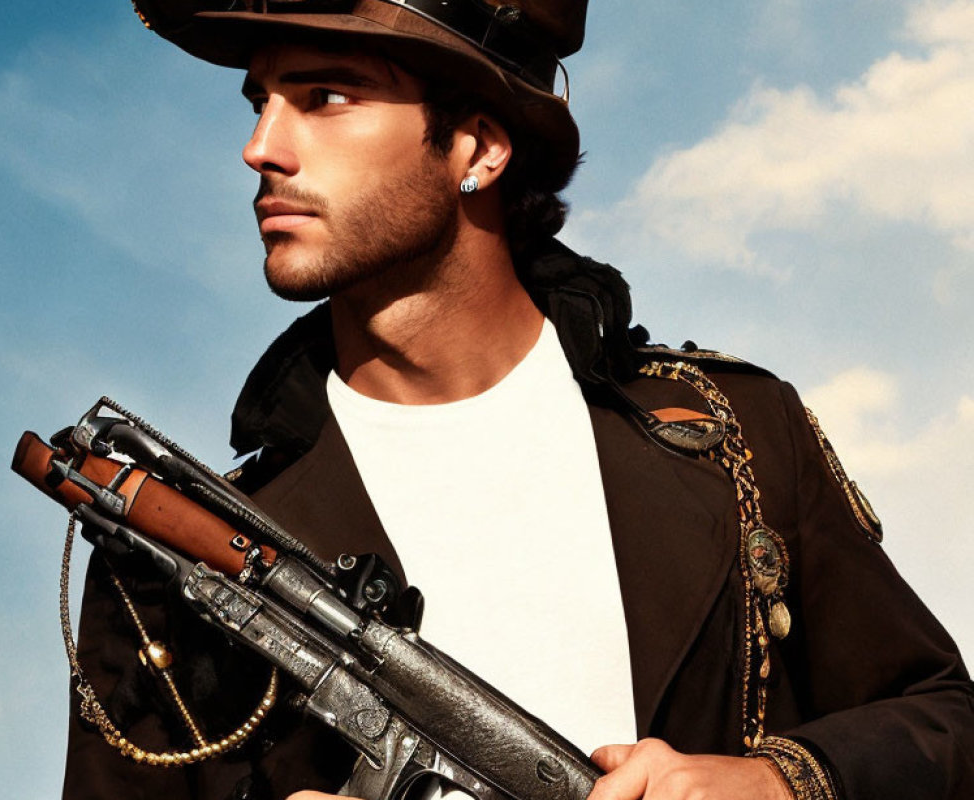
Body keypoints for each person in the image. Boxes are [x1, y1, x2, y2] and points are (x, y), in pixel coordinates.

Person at [63, 2, 974, 799]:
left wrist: (782, 781)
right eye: (260, 99)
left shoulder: (736, 432)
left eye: (325, 98)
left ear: (480, 149)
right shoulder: (181, 553)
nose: (262, 146)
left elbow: (946, 724)